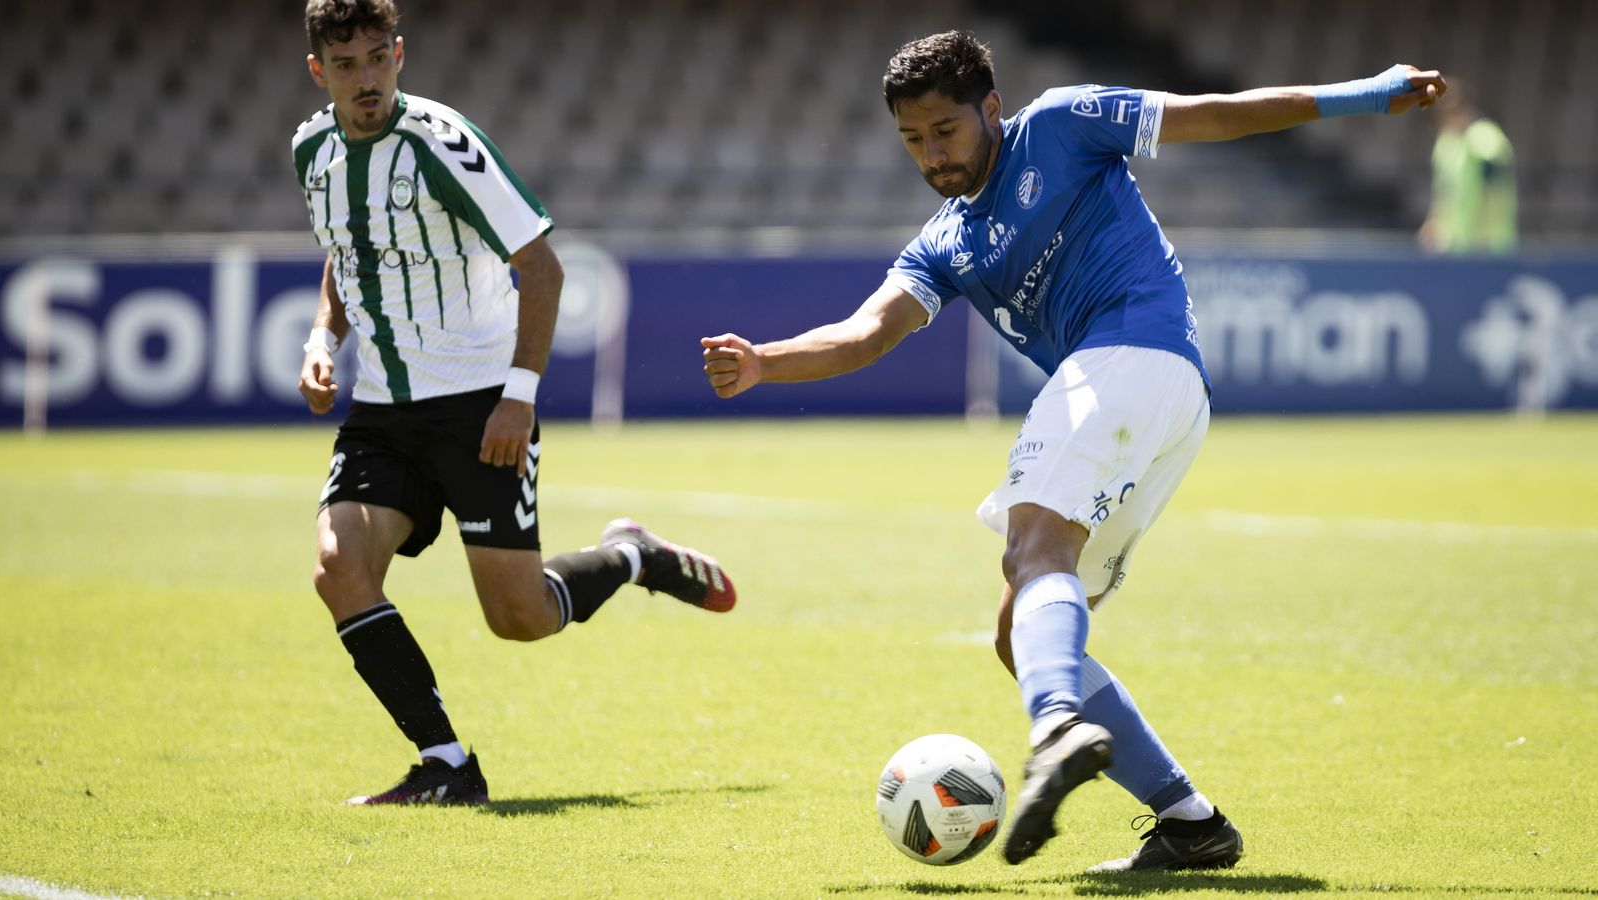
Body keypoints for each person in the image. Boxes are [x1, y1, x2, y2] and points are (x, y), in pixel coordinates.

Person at [702, 31, 1443, 871]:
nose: (932, 155)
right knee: (1019, 631)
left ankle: (1055, 725)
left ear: (991, 107)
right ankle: (1191, 825)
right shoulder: (945, 242)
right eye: (913, 140)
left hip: (1132, 355)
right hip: (1155, 401)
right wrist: (765, 362)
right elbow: (868, 332)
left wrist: (1365, 94)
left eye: (945, 130)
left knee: (1032, 549)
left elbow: (1216, 115)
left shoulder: (1061, 125)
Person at [293, 0, 735, 806]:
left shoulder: (442, 144)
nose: (367, 80)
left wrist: (518, 398)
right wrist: (323, 339)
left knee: (519, 618)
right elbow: (345, 251)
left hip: (480, 405)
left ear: (400, 53)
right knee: (338, 569)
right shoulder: (311, 150)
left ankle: (631, 555)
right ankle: (446, 765)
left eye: (378, 58)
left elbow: (542, 268)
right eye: (347, 65)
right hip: (382, 412)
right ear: (319, 71)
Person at [1420, 81, 1516, 255]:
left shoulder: (1487, 138)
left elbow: (1493, 189)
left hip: (1488, 247)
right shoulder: (1445, 143)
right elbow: (1443, 191)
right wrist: (1434, 222)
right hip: (1456, 246)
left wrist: (1482, 238)